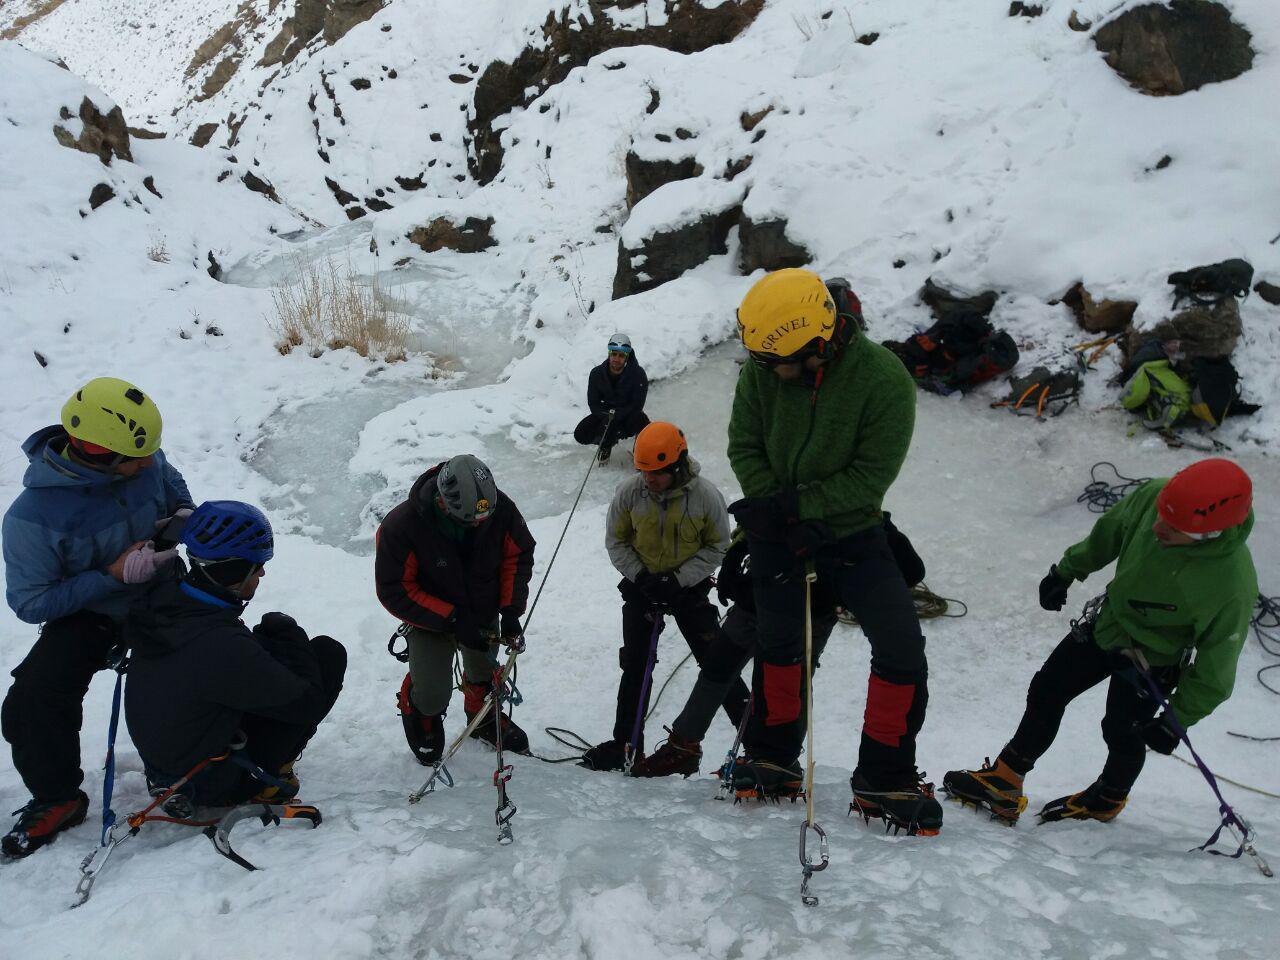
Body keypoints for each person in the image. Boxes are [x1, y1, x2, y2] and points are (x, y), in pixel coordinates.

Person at [726, 268, 941, 835]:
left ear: (820, 346)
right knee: (780, 647)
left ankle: (884, 774)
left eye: (781, 365)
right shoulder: (765, 366)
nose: (771, 374)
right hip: (778, 528)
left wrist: (806, 511)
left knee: (900, 648)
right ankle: (771, 754)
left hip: (853, 532)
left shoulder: (884, 380)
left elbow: (870, 476)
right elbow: (745, 445)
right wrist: (776, 514)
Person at [944, 458, 1257, 825]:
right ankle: (1005, 778)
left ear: (1208, 535)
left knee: (1122, 731)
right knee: (1047, 690)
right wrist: (1067, 570)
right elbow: (1111, 531)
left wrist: (1176, 719)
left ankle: (1107, 797)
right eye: (1160, 515)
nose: (1156, 527)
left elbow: (1216, 667)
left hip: (1152, 660)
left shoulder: (1230, 584)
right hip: (1108, 625)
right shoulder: (1157, 495)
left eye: (1172, 529)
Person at [1, 377, 192, 858]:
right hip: (91, 611)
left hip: (162, 590)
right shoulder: (32, 517)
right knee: (32, 703)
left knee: (201, 667)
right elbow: (31, 603)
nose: (149, 462)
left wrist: (181, 517)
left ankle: (184, 766)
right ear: (96, 453)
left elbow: (170, 483)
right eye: (136, 458)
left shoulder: (142, 457)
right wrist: (111, 575)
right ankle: (58, 798)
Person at [124, 501, 347, 810]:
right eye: (257, 566)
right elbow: (306, 704)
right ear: (235, 571)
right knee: (326, 655)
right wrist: (290, 636)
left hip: (172, 769)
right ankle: (266, 778)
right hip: (207, 784)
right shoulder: (220, 643)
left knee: (271, 650)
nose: (263, 572)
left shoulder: (168, 604)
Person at [580, 422, 750, 772]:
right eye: (643, 471)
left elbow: (717, 545)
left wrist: (679, 579)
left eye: (656, 473)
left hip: (687, 590)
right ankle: (626, 745)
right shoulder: (630, 492)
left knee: (719, 664)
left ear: (677, 465)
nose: (648, 479)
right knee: (635, 666)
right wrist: (641, 577)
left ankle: (758, 746)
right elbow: (617, 541)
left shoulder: (705, 496)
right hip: (643, 587)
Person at [631, 534, 838, 779]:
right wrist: (737, 552)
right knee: (718, 667)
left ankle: (777, 758)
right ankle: (684, 744)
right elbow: (752, 521)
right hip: (760, 590)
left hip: (811, 596)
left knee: (788, 679)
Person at [375, 454, 535, 765]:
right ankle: (421, 709)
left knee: (483, 672)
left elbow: (517, 555)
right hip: (428, 620)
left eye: (481, 519)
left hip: (482, 608)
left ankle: (482, 716)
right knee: (433, 693)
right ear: (443, 503)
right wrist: (452, 617)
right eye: (468, 520)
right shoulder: (402, 526)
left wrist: (511, 610)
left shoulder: (500, 510)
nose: (477, 524)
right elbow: (395, 589)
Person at [573, 333, 650, 464]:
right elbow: (593, 403)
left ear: (627, 357)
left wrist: (618, 416)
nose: (616, 359)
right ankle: (606, 443)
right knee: (581, 433)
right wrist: (606, 416)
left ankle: (641, 451)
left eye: (621, 356)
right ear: (609, 354)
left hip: (628, 415)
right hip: (606, 415)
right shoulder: (596, 373)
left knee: (643, 424)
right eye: (614, 354)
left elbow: (637, 405)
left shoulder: (638, 374)